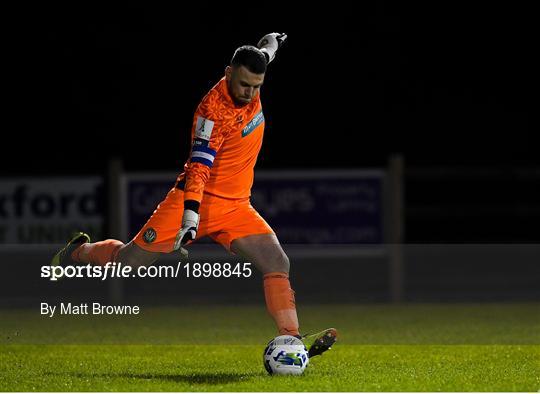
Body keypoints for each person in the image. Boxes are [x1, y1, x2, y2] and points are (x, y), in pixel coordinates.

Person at [52, 33, 336, 357]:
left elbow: (264, 53)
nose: (250, 93)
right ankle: (78, 251)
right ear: (228, 73)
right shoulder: (212, 113)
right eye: (245, 85)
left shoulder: (251, 74)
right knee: (127, 262)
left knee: (277, 260)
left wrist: (271, 44)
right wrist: (190, 216)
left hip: (236, 206)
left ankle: (292, 341)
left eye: (257, 86)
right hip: (195, 201)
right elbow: (198, 169)